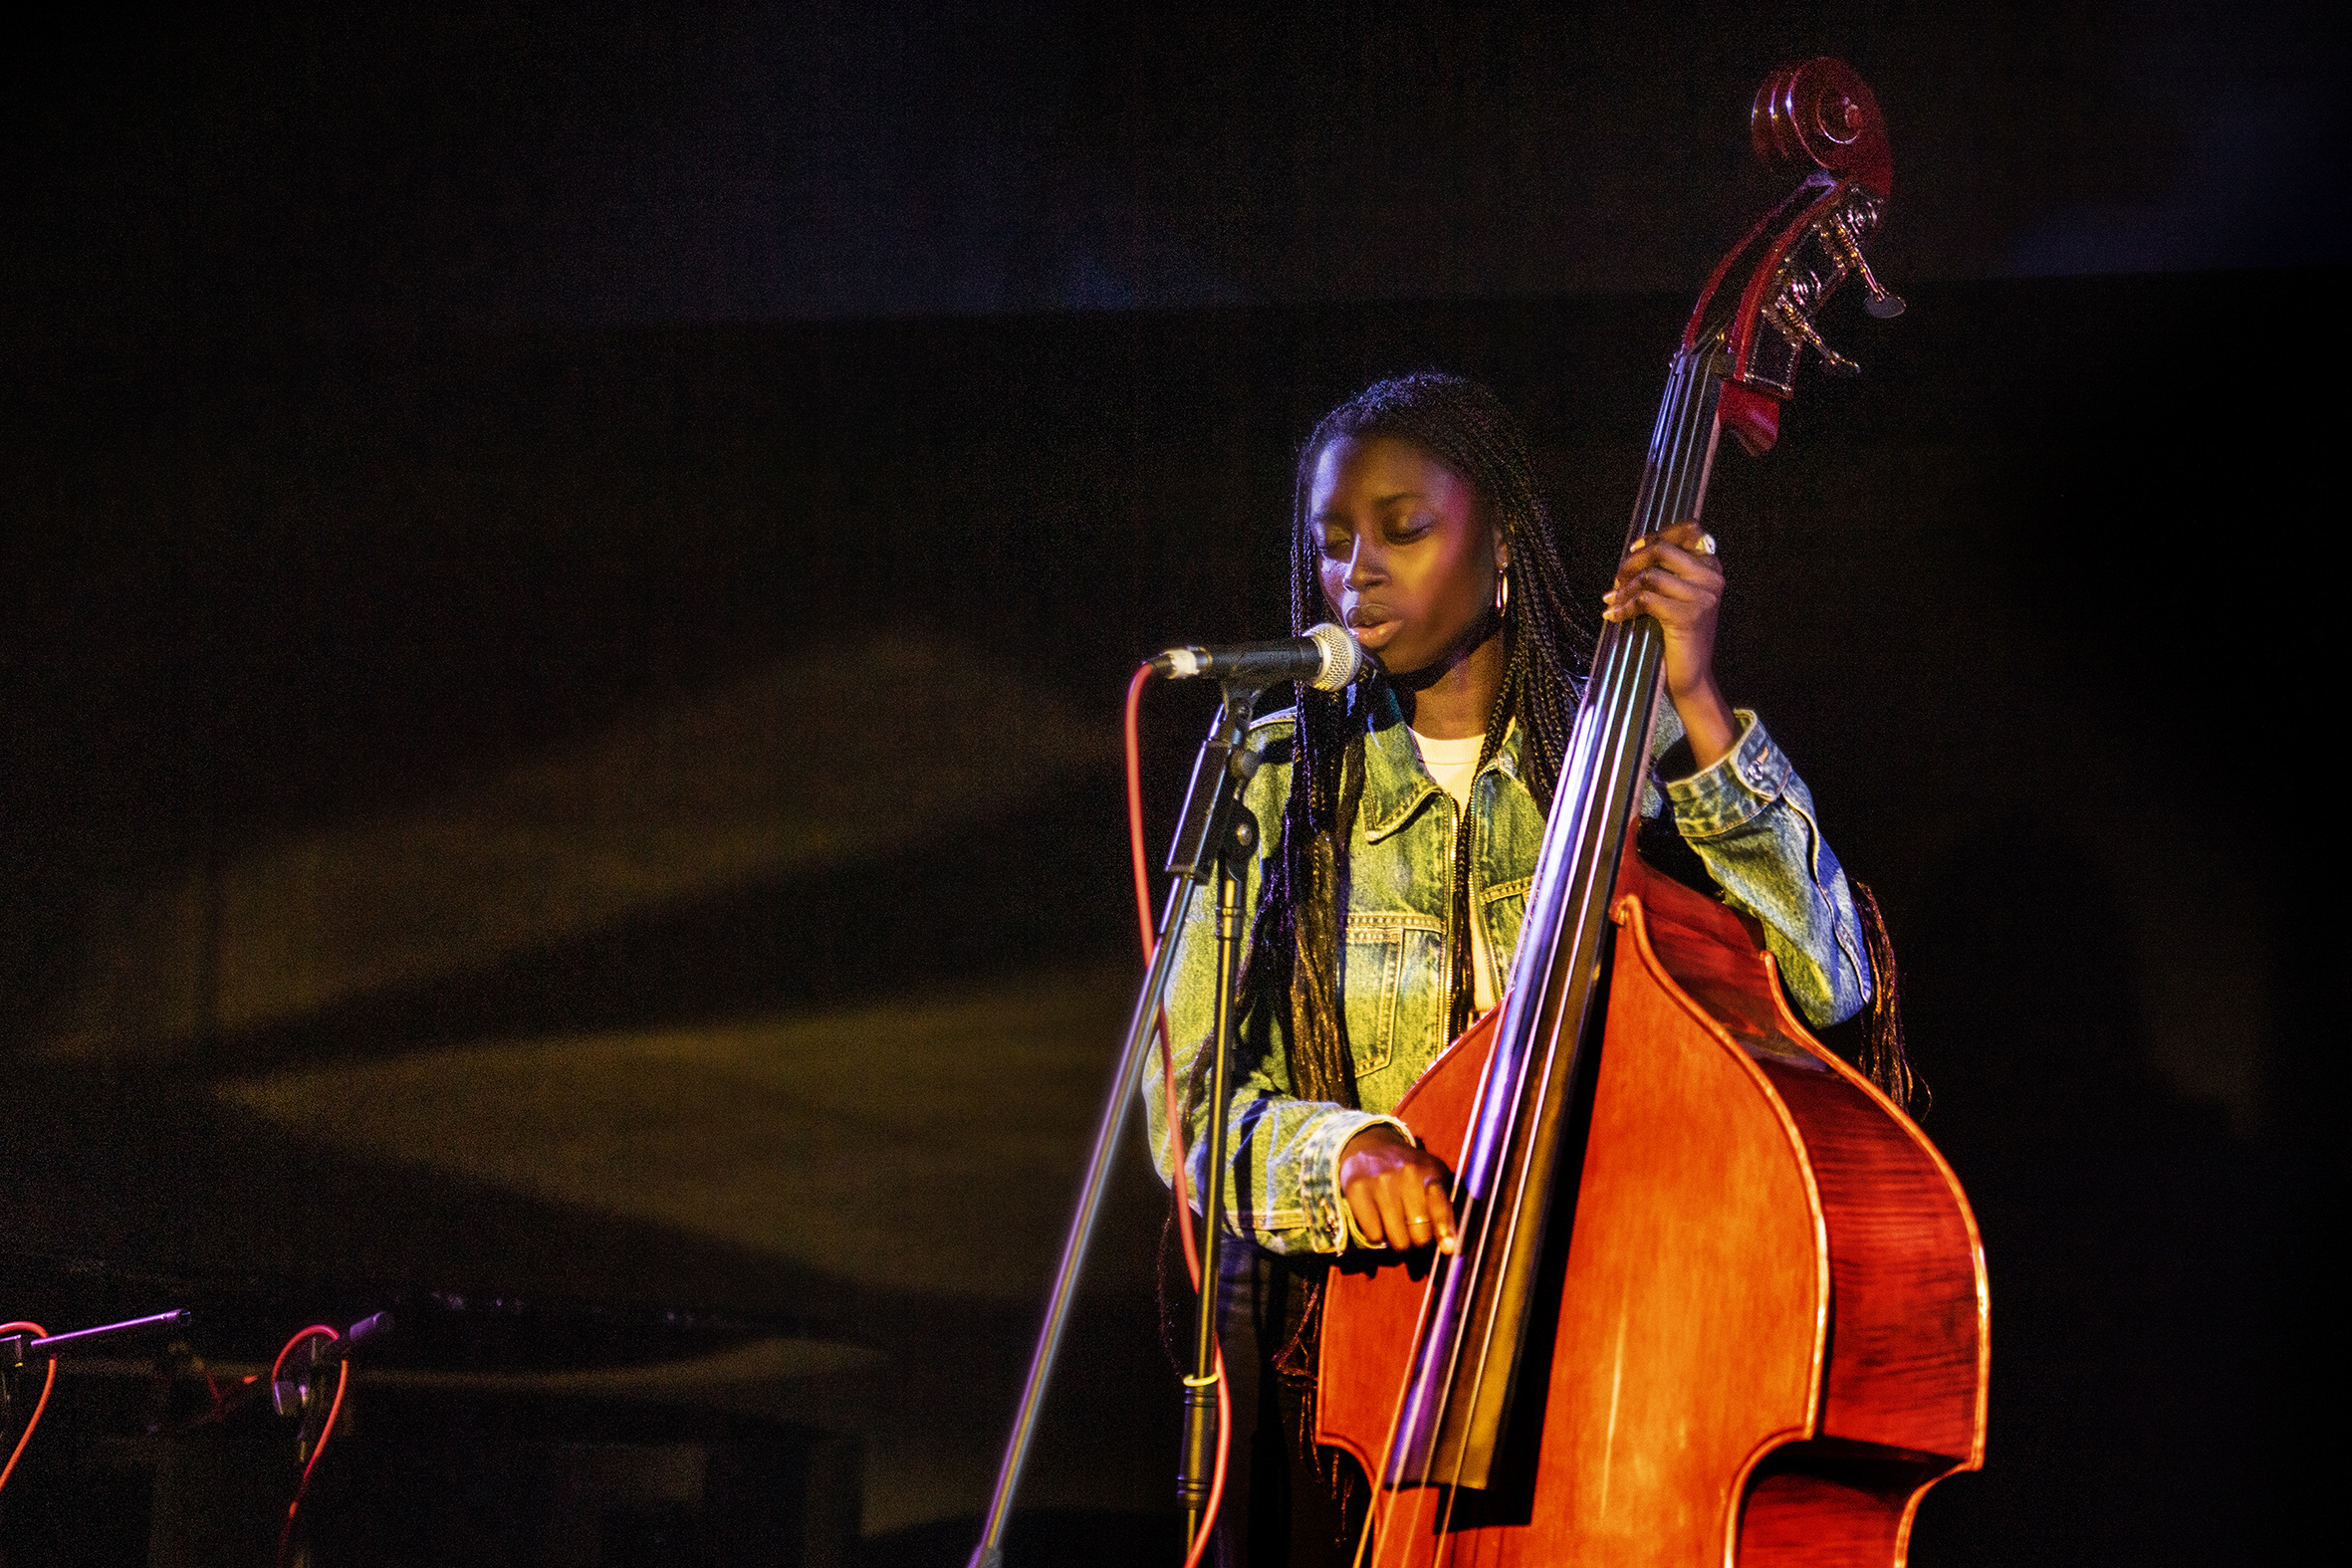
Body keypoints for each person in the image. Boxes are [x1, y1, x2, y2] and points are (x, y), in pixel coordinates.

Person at [1142, 372, 1886, 1566]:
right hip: (1386, 1372)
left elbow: (1828, 983)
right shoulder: (1274, 780)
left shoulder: (1627, 748)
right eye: (1331, 545)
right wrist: (1342, 1150)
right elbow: (1188, 1113)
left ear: (1501, 543)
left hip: (1622, 1349)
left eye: (1403, 529)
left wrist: (1694, 698)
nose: (1356, 575)